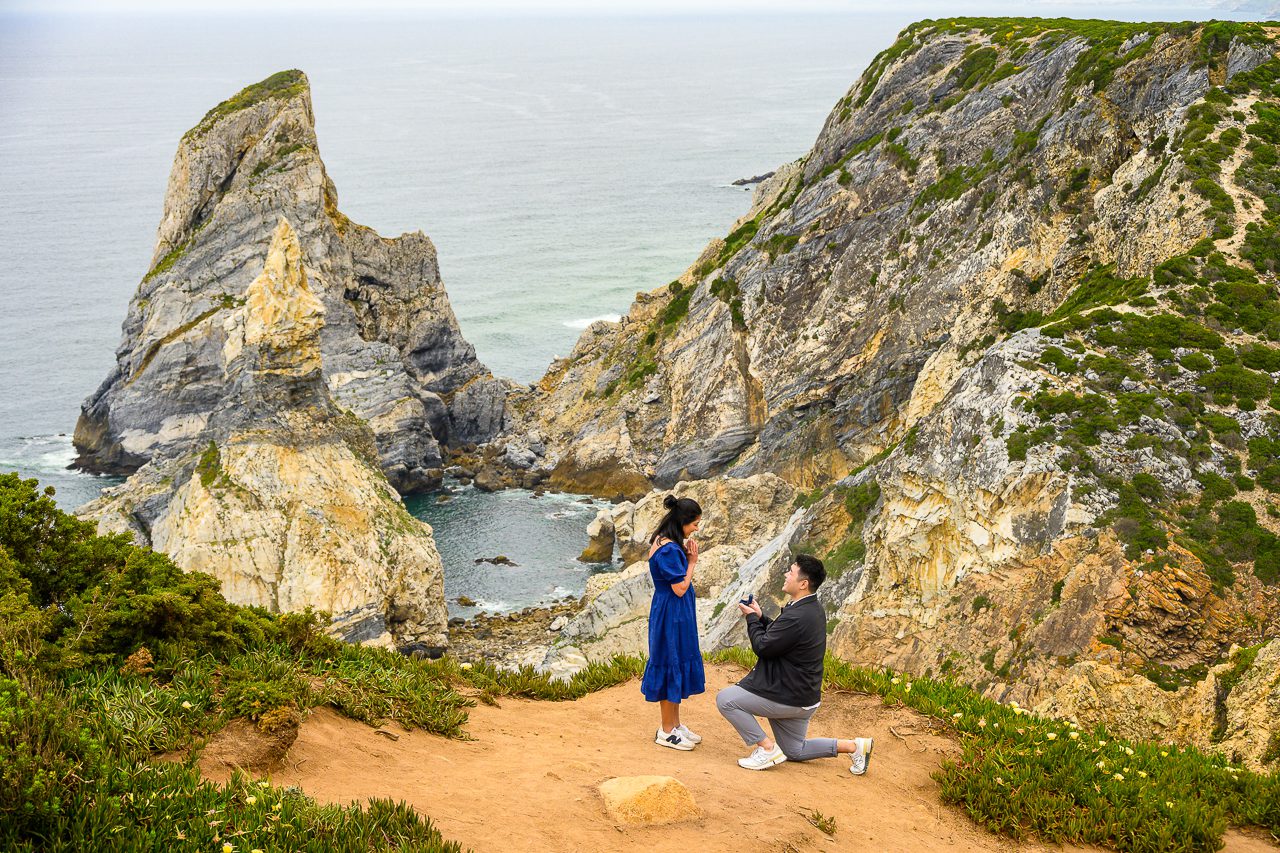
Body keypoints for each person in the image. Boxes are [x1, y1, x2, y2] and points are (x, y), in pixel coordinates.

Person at [715, 554, 875, 774]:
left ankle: (767, 749)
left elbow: (763, 647)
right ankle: (855, 747)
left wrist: (751, 619)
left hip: (788, 697)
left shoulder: (798, 615)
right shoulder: (811, 608)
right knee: (794, 751)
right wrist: (761, 617)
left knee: (726, 700)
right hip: (804, 698)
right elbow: (781, 636)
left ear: (803, 583)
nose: (785, 575)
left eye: (790, 572)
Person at [640, 494, 706, 750]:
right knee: (670, 662)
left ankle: (675, 725)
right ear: (682, 522)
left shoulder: (665, 541)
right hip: (671, 613)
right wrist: (692, 562)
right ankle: (666, 730)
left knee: (675, 661)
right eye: (694, 523)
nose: (696, 528)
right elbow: (680, 587)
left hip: (674, 612)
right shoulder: (668, 549)